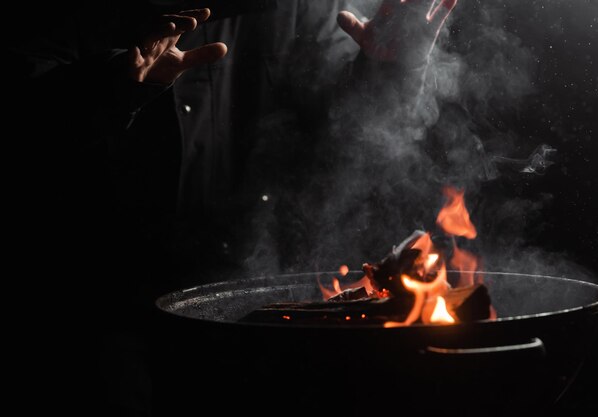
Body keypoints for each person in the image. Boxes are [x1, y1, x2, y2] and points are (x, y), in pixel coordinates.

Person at [11, 1, 454, 415]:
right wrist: (114, 83)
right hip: (101, 311)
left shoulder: (300, 8)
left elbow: (348, 130)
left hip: (254, 316)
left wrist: (394, 67)